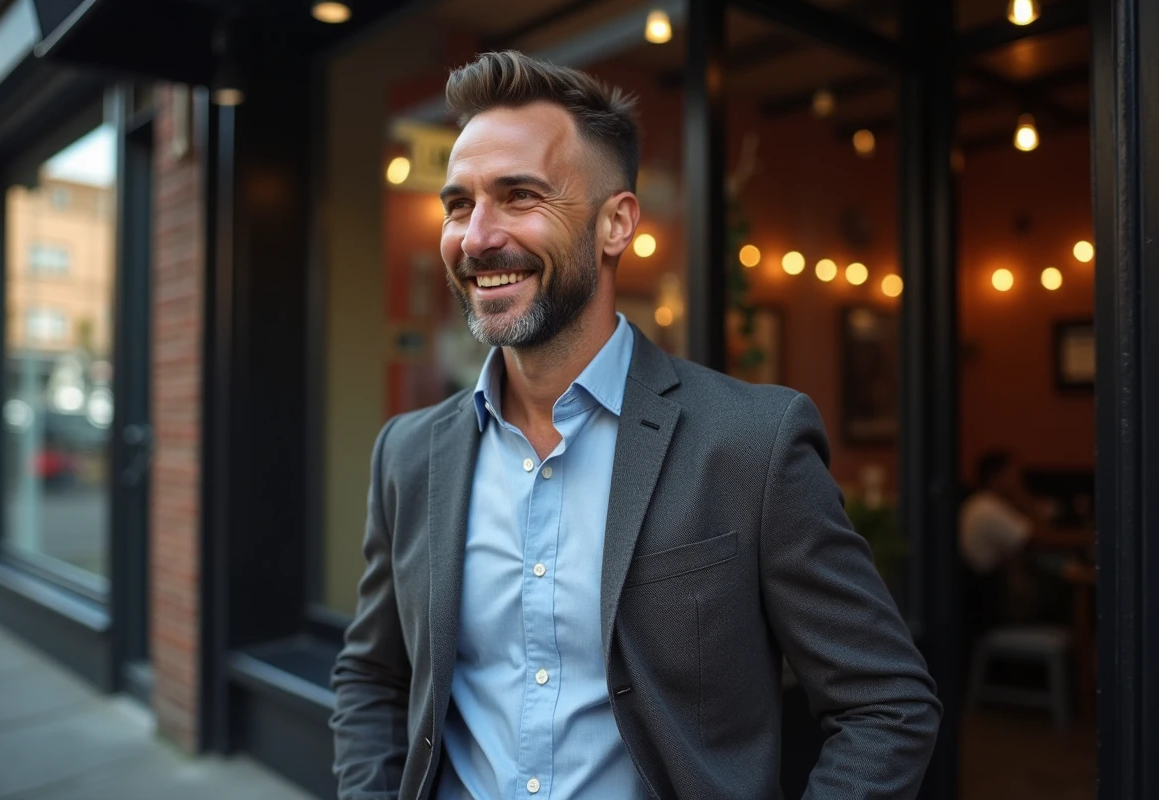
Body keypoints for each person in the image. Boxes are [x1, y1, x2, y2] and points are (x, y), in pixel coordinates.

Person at [330, 51, 941, 800]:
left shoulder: (751, 444)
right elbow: (371, 677)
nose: (477, 236)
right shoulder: (408, 453)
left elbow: (887, 704)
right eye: (459, 204)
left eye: (519, 196)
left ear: (615, 223)